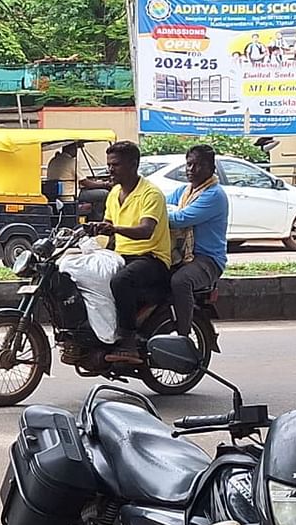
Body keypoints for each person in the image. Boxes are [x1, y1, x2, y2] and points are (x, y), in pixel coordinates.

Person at [92, 140, 172, 364]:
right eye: (109, 164)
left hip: (151, 258)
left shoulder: (151, 194)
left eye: (115, 165)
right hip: (122, 255)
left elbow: (146, 230)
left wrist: (115, 229)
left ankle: (128, 341)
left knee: (121, 281)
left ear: (133, 165)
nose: (110, 169)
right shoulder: (114, 193)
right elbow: (108, 225)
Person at [166, 145, 228, 338]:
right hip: (182, 254)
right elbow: (160, 203)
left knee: (180, 281)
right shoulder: (185, 192)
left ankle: (183, 335)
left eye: (198, 165)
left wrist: (157, 214)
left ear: (211, 168)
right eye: (189, 164)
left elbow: (179, 218)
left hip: (206, 260)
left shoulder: (214, 195)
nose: (191, 170)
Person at [45, 143, 111, 220]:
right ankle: (97, 219)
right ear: (73, 149)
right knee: (103, 194)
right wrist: (104, 184)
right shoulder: (71, 162)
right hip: (70, 195)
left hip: (56, 194)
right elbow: (86, 183)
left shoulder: (53, 160)